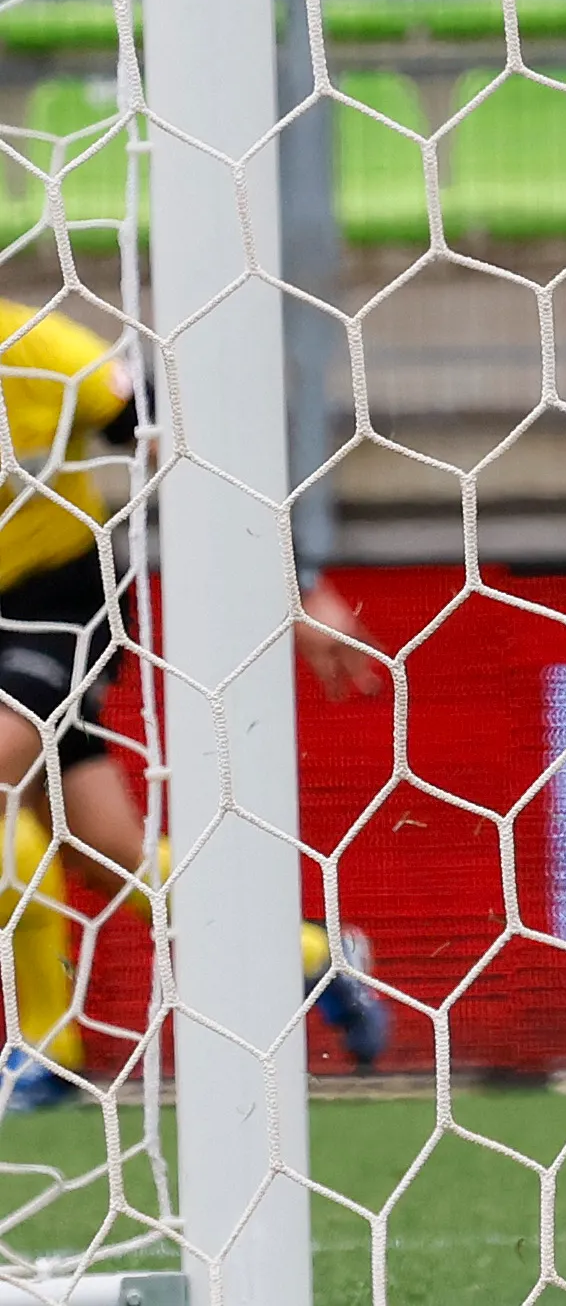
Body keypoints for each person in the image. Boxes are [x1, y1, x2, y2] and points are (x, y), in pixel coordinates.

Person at [0, 300, 390, 1111]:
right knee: (101, 849)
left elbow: (191, 449)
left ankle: (43, 1047)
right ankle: (306, 952)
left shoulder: (42, 350)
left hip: (56, 602)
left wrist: (298, 584)